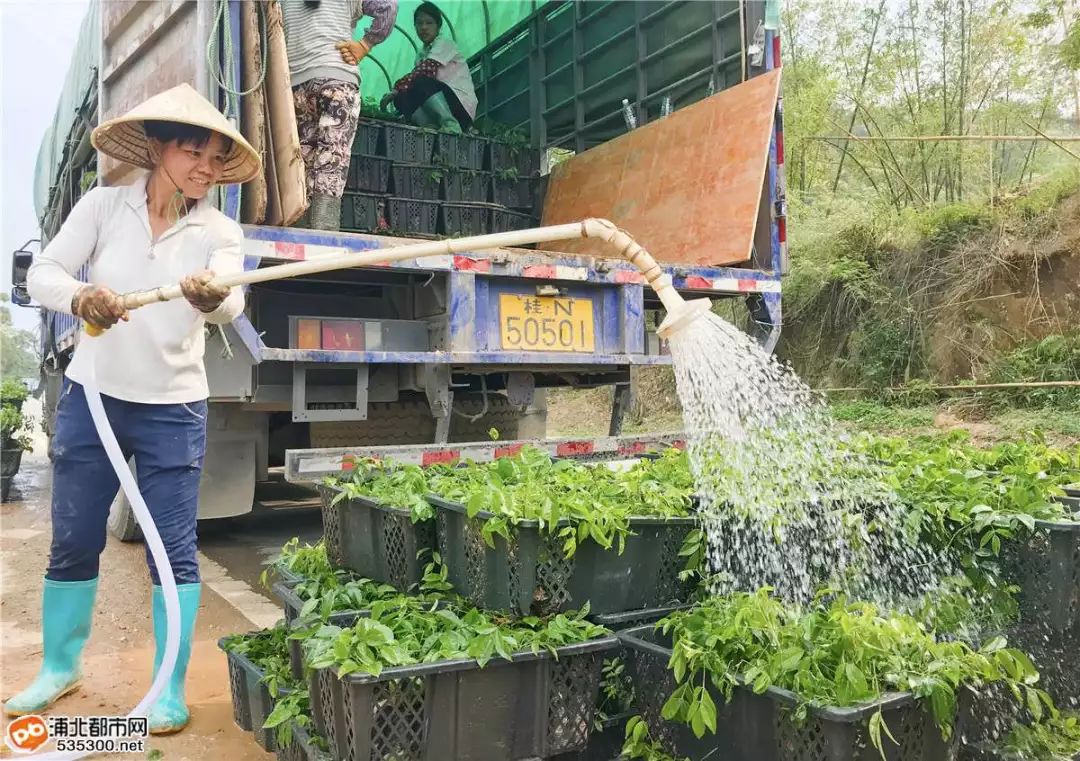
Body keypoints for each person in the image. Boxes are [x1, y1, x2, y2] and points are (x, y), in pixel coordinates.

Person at [5, 83, 260, 735]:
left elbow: (233, 302)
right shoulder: (103, 206)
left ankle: (168, 688)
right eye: (191, 149)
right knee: (75, 533)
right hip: (93, 400)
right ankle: (59, 666)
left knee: (171, 545)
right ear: (155, 148)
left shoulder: (218, 229)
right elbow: (43, 274)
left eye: (215, 157)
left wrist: (212, 298)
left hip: (173, 409)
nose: (205, 165)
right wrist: (83, 295)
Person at [282, 0, 398, 230]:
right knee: (332, 159)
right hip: (337, 81)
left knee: (303, 162)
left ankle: (301, 231)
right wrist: (365, 44)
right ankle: (322, 233)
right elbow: (388, 8)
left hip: (296, 89)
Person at [381, 2, 477, 135]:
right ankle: (430, 127)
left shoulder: (444, 43)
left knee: (419, 80)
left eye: (429, 23)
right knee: (401, 97)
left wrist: (396, 88)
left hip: (460, 109)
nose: (424, 27)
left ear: (438, 26)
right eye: (419, 23)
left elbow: (425, 71)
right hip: (438, 106)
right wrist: (398, 93)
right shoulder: (421, 54)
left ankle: (451, 125)